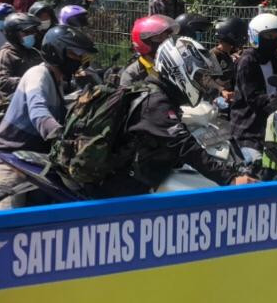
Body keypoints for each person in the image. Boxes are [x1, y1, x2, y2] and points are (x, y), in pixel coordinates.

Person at [98, 37, 250, 197]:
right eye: (199, 78)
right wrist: (229, 178)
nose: (203, 84)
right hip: (124, 189)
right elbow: (184, 145)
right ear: (179, 71)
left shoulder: (163, 95)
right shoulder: (156, 103)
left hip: (143, 178)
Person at [0, 26, 96, 208]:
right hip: (7, 159)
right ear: (57, 52)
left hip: (33, 161)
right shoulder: (38, 74)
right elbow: (38, 111)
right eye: (75, 54)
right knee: (8, 222)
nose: (80, 60)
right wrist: (58, 133)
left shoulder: (58, 81)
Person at [231, 12, 277, 162]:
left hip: (272, 126)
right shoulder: (247, 61)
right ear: (255, 36)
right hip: (249, 130)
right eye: (268, 36)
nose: (273, 40)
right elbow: (254, 100)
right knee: (255, 168)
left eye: (276, 35)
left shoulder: (275, 58)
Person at [0, 13, 43, 98]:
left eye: (33, 31)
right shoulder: (6, 54)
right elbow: (2, 82)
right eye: (27, 32)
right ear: (13, 34)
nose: (32, 35)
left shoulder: (34, 51)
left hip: (37, 95)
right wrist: (29, 80)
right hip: (15, 101)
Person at [121, 15, 177, 86]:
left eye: (166, 37)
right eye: (159, 37)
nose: (165, 41)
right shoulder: (131, 74)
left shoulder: (174, 65)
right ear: (144, 42)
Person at [212, 16, 246, 99]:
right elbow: (206, 79)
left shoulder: (232, 53)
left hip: (232, 95)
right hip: (216, 98)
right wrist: (222, 90)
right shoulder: (214, 55)